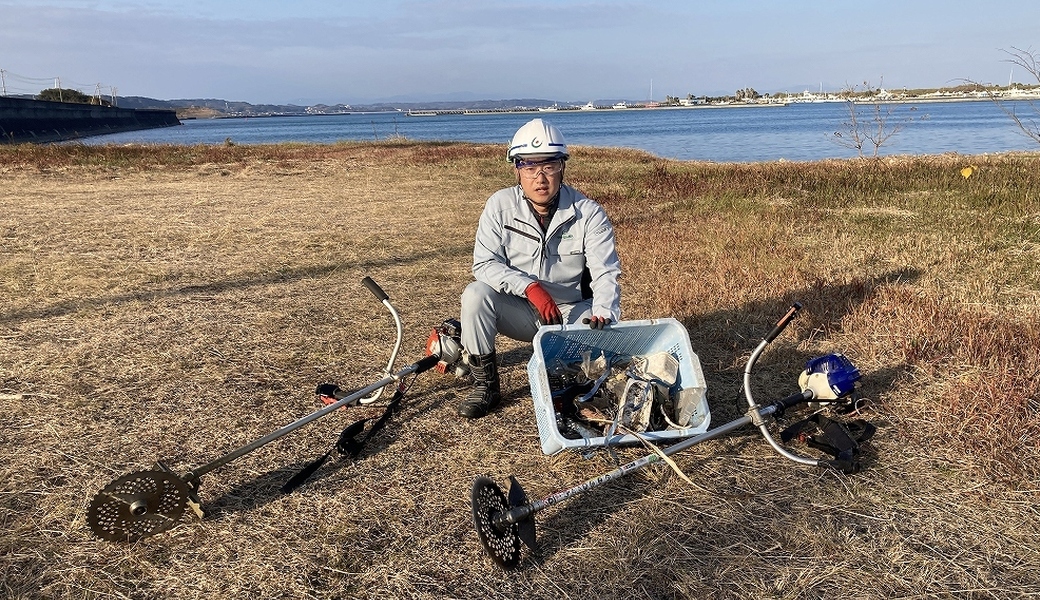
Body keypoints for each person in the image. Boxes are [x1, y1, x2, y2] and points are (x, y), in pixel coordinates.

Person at [458, 118, 622, 419]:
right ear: (517, 170)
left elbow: (605, 271)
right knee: (475, 295)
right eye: (529, 167)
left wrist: (604, 312)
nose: (540, 178)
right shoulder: (499, 205)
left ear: (563, 167)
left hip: (572, 313)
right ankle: (486, 386)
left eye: (549, 166)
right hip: (522, 309)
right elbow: (484, 263)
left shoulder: (589, 213)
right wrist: (529, 287)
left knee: (580, 380)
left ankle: (571, 378)